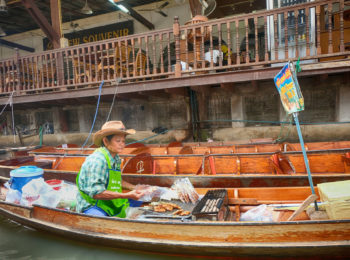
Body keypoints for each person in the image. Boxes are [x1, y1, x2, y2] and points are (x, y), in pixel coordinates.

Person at [76, 120, 145, 217]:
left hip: (108, 201)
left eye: (123, 141)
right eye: (118, 141)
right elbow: (97, 193)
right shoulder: (98, 160)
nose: (122, 144)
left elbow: (116, 180)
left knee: (141, 198)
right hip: (93, 204)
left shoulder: (115, 158)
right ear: (106, 141)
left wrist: (135, 188)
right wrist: (127, 195)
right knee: (101, 220)